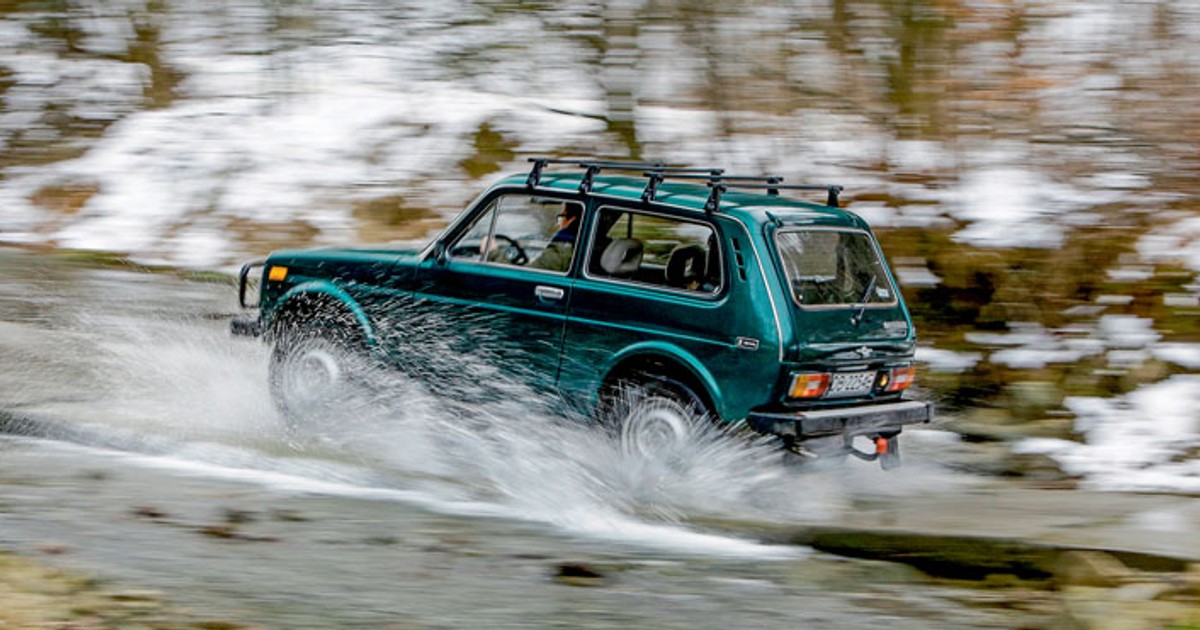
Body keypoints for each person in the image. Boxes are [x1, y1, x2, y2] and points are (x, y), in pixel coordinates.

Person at [527, 203, 581, 271]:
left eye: (561, 217)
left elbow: (528, 274)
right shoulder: (581, 245)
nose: (559, 224)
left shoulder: (560, 251)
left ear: (572, 220)